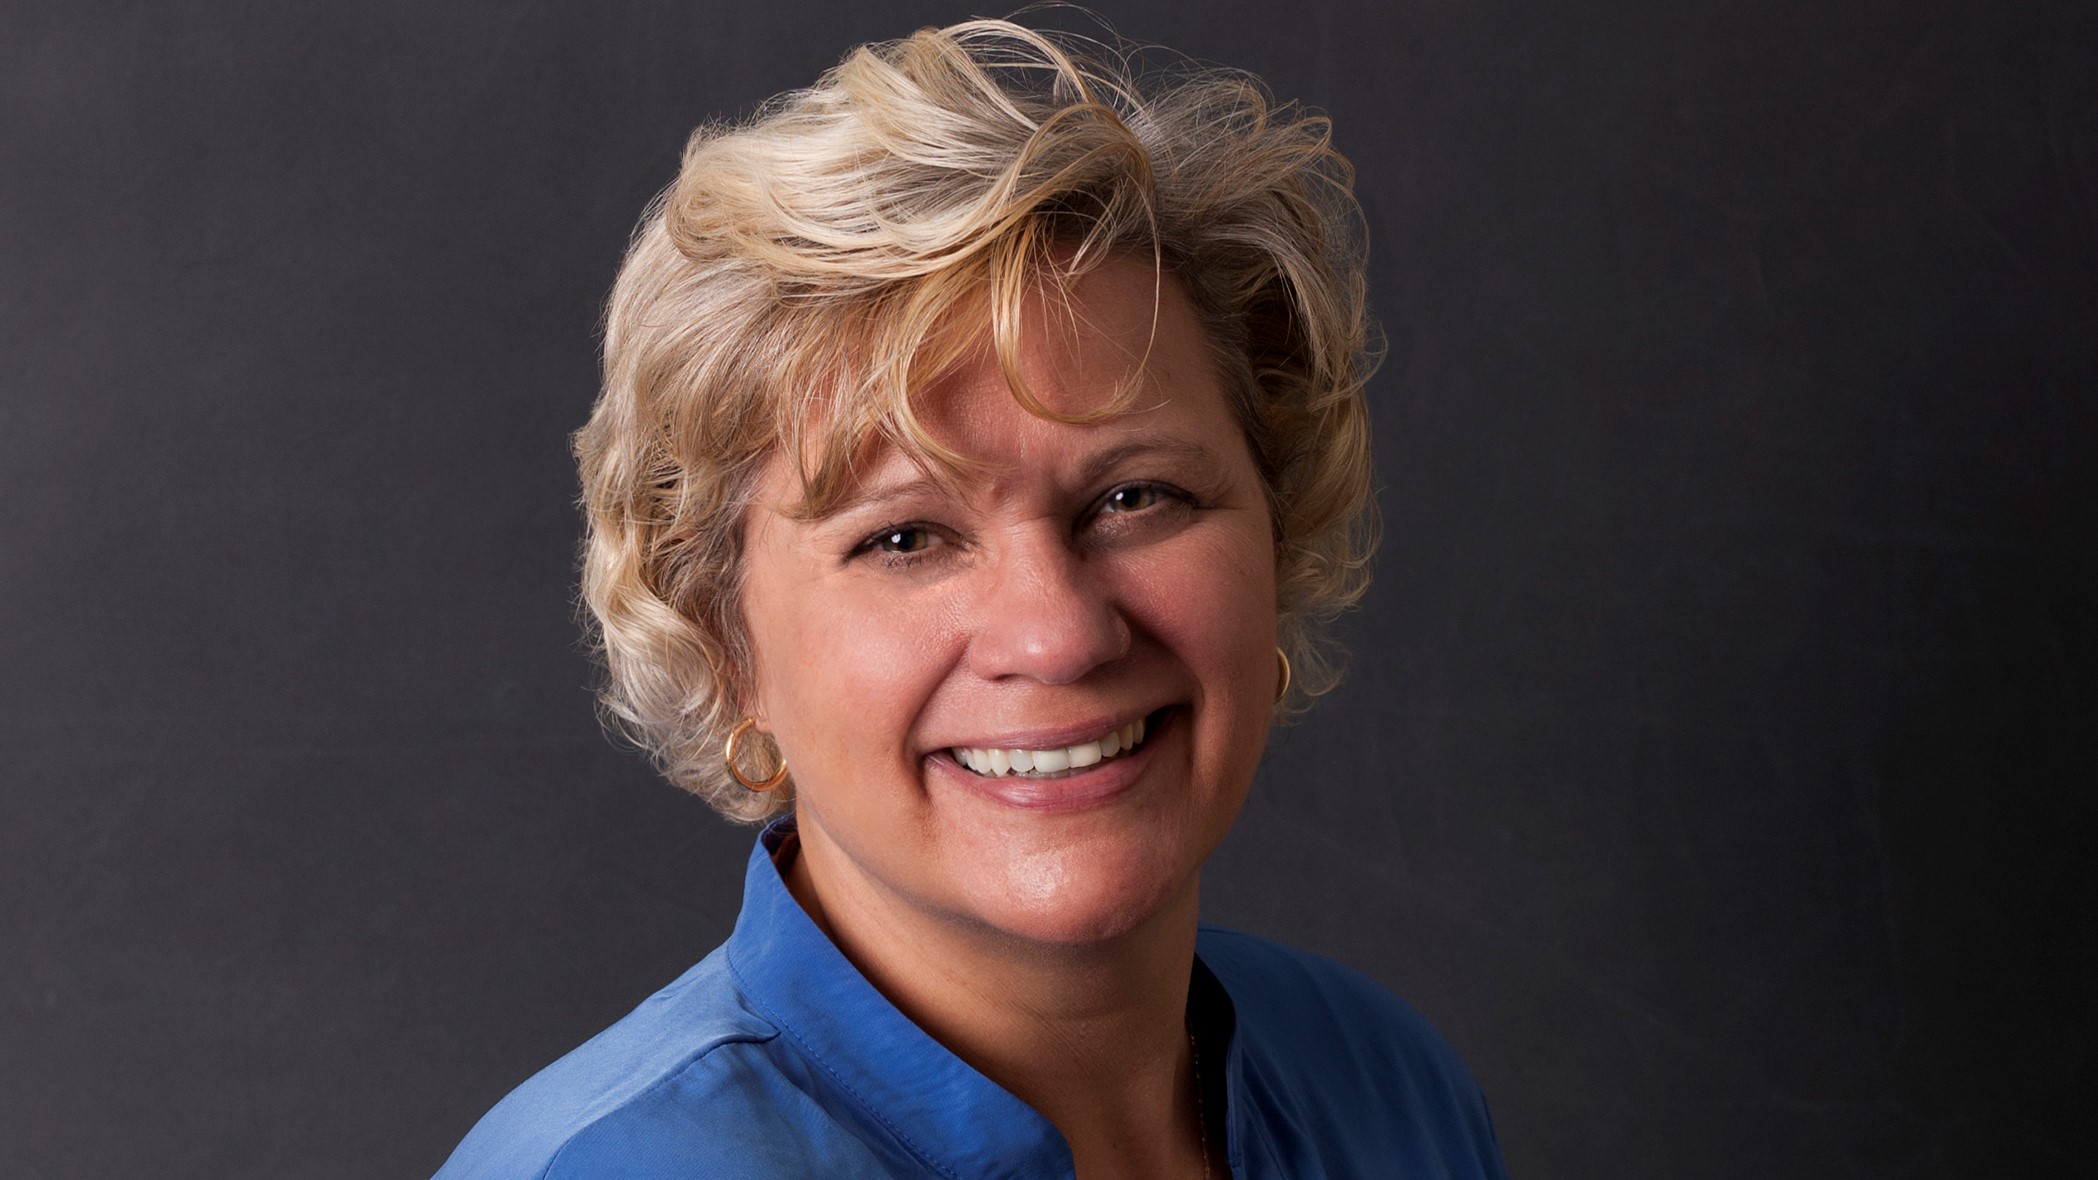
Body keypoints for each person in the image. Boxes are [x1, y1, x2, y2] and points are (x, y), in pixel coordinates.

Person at [436, 16, 1507, 1179]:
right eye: (904, 536)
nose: (1057, 634)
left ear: (1276, 528)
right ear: (724, 640)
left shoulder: (1384, 1088)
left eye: (1137, 496)